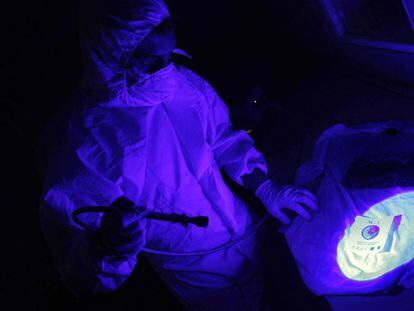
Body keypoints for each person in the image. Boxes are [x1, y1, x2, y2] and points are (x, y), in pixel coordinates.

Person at [40, 0, 318, 309]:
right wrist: (111, 247)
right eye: (150, 61)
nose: (165, 72)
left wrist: (264, 186)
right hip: (201, 277)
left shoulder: (179, 81)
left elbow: (223, 140)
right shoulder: (83, 148)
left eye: (168, 55)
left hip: (249, 231)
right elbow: (78, 270)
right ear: (112, 55)